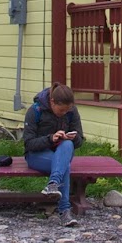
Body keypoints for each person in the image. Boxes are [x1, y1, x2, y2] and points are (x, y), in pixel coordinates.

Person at [22, 83, 84, 225]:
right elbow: (29, 143)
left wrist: (74, 138)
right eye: (61, 110)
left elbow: (80, 141)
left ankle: (53, 184)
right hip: (37, 155)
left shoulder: (72, 111)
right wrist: (51, 139)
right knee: (65, 167)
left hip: (62, 153)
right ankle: (65, 212)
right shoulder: (35, 111)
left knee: (67, 145)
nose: (64, 113)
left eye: (67, 110)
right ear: (52, 102)